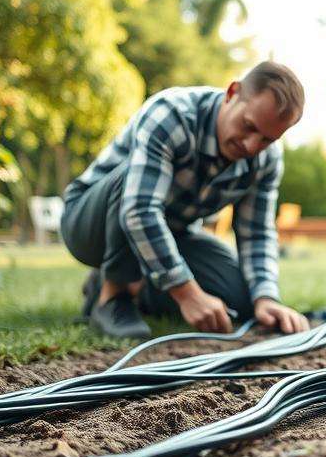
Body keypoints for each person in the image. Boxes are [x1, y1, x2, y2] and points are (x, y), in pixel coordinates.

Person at [60, 61, 310, 340]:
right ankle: (113, 295)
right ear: (232, 93)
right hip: (89, 224)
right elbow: (139, 210)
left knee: (241, 301)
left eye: (267, 139)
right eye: (248, 126)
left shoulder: (266, 160)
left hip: (173, 232)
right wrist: (187, 293)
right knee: (134, 181)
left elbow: (257, 232)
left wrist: (266, 297)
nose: (252, 146)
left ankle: (131, 287)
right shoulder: (171, 115)